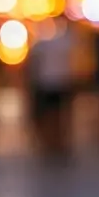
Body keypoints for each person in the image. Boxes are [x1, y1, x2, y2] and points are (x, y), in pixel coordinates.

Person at [29, 20, 77, 161]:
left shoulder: (42, 43)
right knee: (57, 114)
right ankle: (56, 142)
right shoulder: (62, 40)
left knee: (54, 114)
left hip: (53, 82)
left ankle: (54, 143)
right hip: (56, 82)